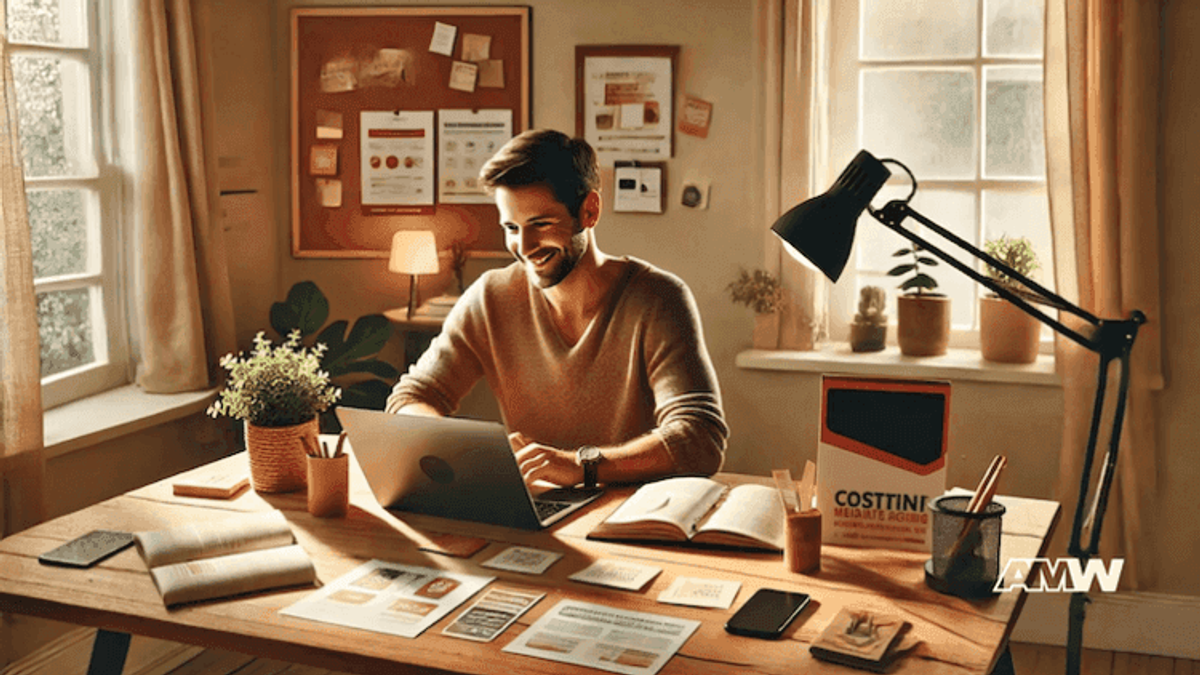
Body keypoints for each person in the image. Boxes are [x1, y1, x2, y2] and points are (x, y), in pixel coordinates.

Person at [385, 129, 727, 489]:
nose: (524, 246)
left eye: (541, 224)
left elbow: (700, 438)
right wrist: (463, 448)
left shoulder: (659, 299)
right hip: (537, 510)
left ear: (590, 211)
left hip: (635, 515)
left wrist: (582, 466)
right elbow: (412, 397)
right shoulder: (491, 296)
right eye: (511, 227)